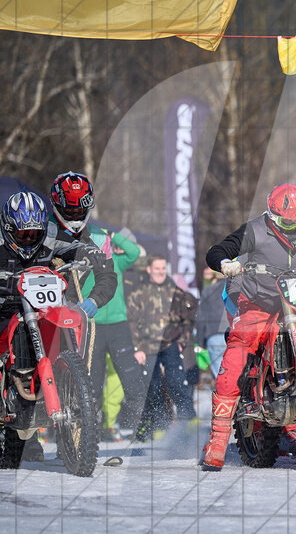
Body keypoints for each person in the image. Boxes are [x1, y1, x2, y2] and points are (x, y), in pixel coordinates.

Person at [200, 183, 296, 471]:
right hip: (260, 302)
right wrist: (225, 262)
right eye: (288, 222)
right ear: (273, 217)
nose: (295, 227)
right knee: (238, 349)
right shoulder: (255, 230)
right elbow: (220, 249)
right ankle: (218, 440)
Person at [0, 191, 115, 461]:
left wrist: (91, 253)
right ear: (8, 229)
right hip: (5, 306)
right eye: (23, 234)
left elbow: (72, 246)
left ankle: (72, 424)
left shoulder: (51, 233)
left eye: (34, 234)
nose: (30, 239)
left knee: (65, 333)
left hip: (40, 309)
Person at [47, 171, 149, 440]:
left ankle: (81, 432)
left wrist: (93, 301)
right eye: (68, 210)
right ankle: (34, 433)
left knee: (85, 374)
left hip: (83, 314)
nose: (74, 216)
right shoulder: (42, 231)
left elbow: (108, 274)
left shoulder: (100, 238)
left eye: (79, 210)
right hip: (44, 308)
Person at [127, 256, 198, 440]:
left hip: (170, 343)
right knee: (154, 386)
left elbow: (188, 318)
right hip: (146, 346)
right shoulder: (138, 293)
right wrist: (137, 349)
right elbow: (132, 323)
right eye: (156, 268)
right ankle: (159, 424)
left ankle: (189, 420)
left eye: (162, 268)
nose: (160, 271)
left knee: (177, 381)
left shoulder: (176, 292)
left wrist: (184, 340)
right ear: (149, 269)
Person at [195, 267, 229, 379]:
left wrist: (200, 342)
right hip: (234, 335)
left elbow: (201, 317)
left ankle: (224, 395)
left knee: (220, 376)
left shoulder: (208, 291)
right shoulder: (238, 289)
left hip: (214, 335)